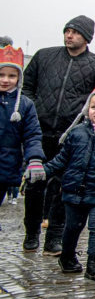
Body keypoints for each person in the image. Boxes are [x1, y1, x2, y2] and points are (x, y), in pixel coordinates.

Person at [21, 15, 95, 255]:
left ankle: (54, 237)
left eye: (75, 32)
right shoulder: (44, 56)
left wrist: (84, 125)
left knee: (63, 188)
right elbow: (27, 86)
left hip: (71, 135)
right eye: (67, 30)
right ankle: (31, 232)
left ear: (86, 37)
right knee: (34, 184)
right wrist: (33, 108)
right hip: (39, 132)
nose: (69, 35)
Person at [45, 81, 95, 281]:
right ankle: (67, 257)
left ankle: (94, 263)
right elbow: (62, 158)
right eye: (93, 106)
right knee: (72, 227)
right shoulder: (77, 132)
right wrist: (43, 171)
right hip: (74, 189)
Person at [0, 46, 44, 213]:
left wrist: (34, 159)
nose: (5, 80)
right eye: (1, 75)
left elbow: (32, 134)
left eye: (11, 76)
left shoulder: (25, 104)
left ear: (19, 78)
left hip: (6, 163)